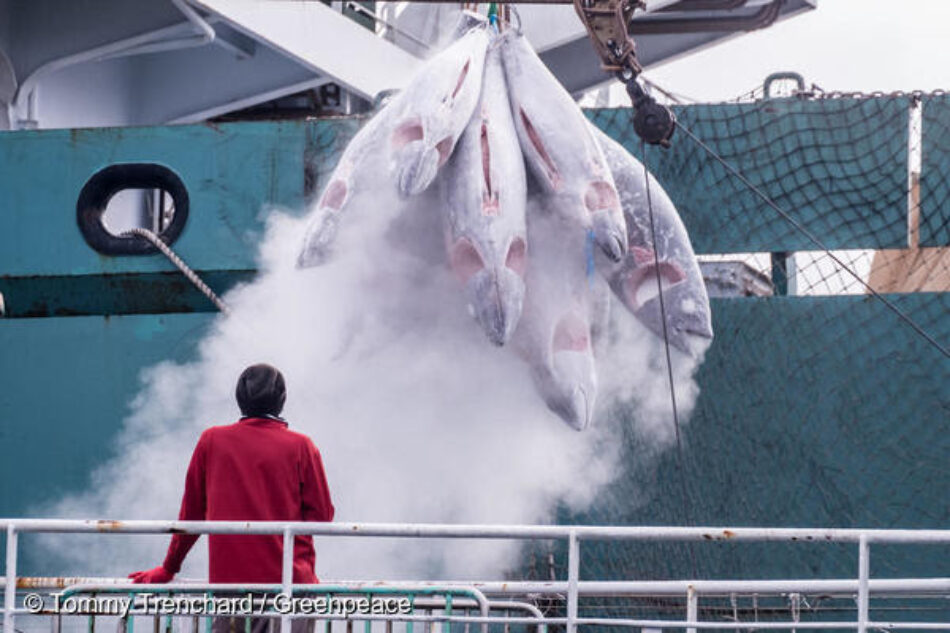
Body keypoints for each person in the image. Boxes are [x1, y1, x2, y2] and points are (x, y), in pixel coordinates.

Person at [129, 363, 335, 633]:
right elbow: (322, 516)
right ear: (282, 400)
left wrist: (169, 568)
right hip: (291, 588)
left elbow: (191, 515)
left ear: (239, 399)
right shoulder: (301, 446)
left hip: (231, 592)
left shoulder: (211, 441)